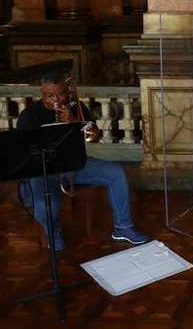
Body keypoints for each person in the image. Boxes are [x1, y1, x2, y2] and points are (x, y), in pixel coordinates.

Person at [16, 72, 150, 251]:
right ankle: (53, 232)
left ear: (67, 92)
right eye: (49, 96)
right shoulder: (30, 115)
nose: (56, 100)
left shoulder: (76, 107)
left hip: (75, 164)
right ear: (42, 93)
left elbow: (94, 137)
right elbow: (24, 150)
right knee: (45, 207)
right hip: (44, 169)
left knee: (116, 173)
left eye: (60, 94)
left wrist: (74, 122)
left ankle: (123, 228)